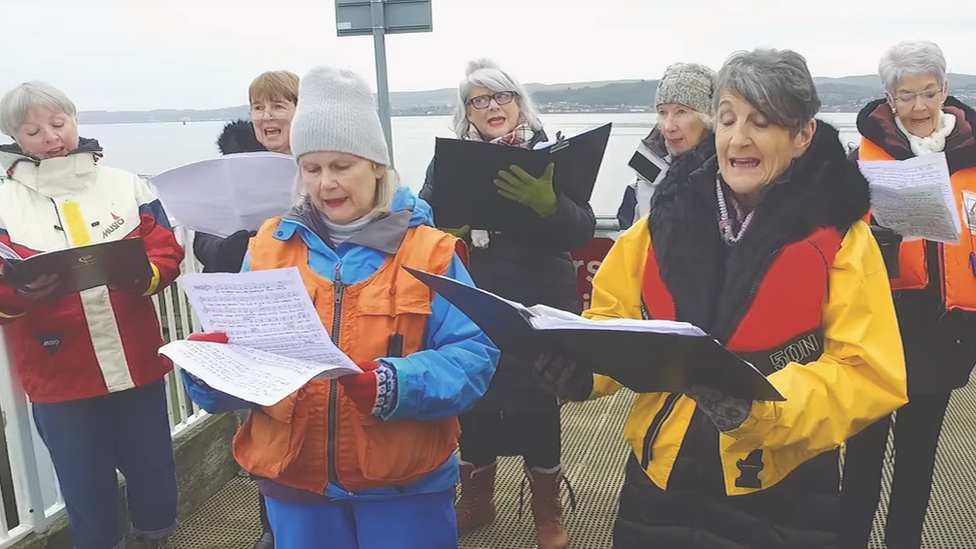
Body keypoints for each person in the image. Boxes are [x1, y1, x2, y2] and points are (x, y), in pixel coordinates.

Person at [534, 48, 909, 549]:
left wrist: (762, 410)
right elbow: (613, 322)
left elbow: (870, 373)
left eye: (762, 121)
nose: (739, 137)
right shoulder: (656, 227)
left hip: (783, 482)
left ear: (802, 136)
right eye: (728, 118)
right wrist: (581, 368)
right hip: (661, 474)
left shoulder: (841, 241)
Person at [181, 66, 500, 549]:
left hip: (403, 486)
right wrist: (212, 370)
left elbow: (474, 356)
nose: (326, 183)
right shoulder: (265, 247)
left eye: (341, 166)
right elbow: (243, 367)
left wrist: (396, 384)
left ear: (376, 166)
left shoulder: (431, 251)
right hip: (295, 483)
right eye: (312, 168)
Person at [419, 59, 596, 549]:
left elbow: (581, 229)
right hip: (474, 300)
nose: (492, 106)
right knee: (474, 398)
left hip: (541, 299)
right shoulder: (450, 161)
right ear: (467, 111)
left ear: (519, 102)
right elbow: (422, 218)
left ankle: (546, 510)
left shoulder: (549, 153)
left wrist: (550, 205)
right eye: (479, 99)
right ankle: (478, 499)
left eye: (501, 96)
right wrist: (443, 228)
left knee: (539, 401)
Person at [0, 81, 185, 549]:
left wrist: (144, 273)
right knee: (84, 485)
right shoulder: (4, 201)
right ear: (16, 139)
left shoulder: (127, 184)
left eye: (58, 123)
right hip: (58, 372)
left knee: (153, 470)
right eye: (33, 130)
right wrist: (21, 293)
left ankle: (155, 539)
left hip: (136, 361)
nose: (50, 137)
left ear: (75, 120)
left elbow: (166, 249)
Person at [842, 40, 976, 549]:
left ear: (946, 90)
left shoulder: (972, 155)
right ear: (889, 99)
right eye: (906, 95)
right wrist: (871, 238)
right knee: (861, 461)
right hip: (877, 329)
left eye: (929, 92)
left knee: (918, 463)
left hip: (944, 333)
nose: (919, 107)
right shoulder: (860, 160)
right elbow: (832, 242)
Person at [193, 70, 298, 274]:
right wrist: (226, 251)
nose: (266, 116)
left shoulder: (322, 166)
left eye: (278, 106)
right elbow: (203, 240)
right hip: (239, 291)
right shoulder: (232, 165)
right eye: (258, 108)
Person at [616, 62, 716, 230]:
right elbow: (630, 246)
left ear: (708, 117)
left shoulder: (734, 178)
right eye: (662, 112)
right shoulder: (641, 181)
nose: (669, 126)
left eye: (681, 112)